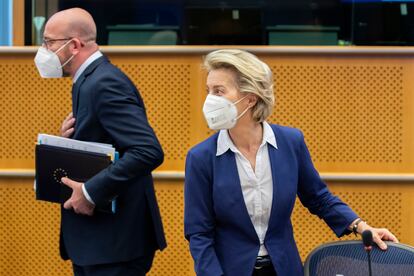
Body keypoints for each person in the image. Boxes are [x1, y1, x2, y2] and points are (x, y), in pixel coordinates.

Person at [183, 49, 398, 276]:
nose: (210, 100)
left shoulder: (290, 142)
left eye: (219, 91)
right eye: (208, 91)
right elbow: (199, 233)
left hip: (284, 268)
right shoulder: (201, 157)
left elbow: (318, 197)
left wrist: (360, 226)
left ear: (250, 98)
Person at [34, 8, 166, 276]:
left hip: (114, 246)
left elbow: (147, 151)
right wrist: (64, 144)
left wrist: (90, 192)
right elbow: (104, 145)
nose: (43, 50)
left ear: (74, 45)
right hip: (98, 243)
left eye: (49, 42)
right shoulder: (88, 80)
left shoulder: (104, 82)